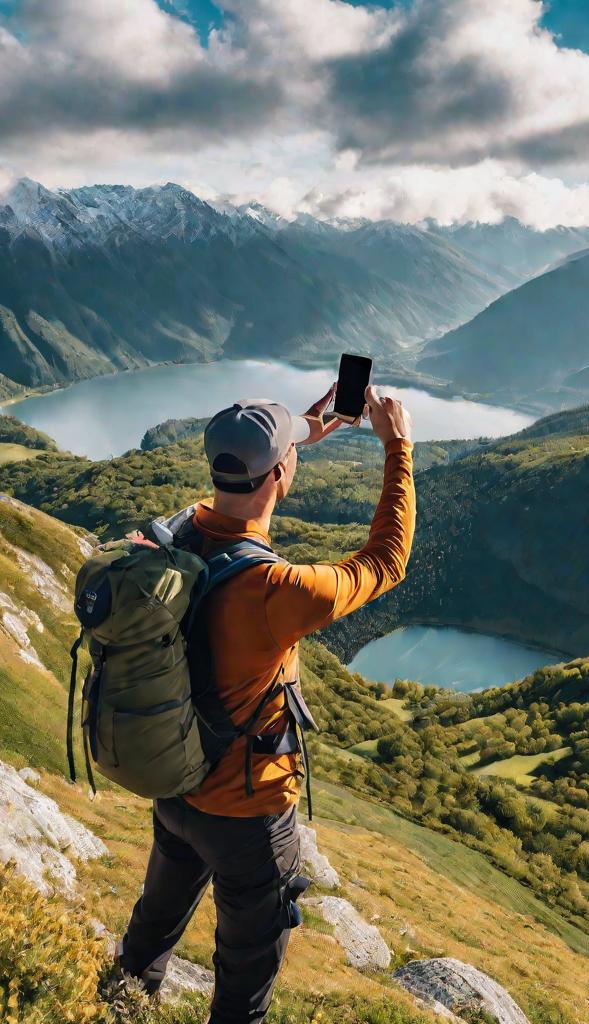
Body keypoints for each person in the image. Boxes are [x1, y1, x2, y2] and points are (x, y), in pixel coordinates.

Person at [114, 383, 415, 1022]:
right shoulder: (277, 589)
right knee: (244, 983)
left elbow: (240, 480)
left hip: (178, 789)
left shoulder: (178, 536)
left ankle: (114, 1010)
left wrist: (303, 430)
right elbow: (386, 561)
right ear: (280, 476)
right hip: (250, 816)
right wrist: (398, 448)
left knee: (149, 937)